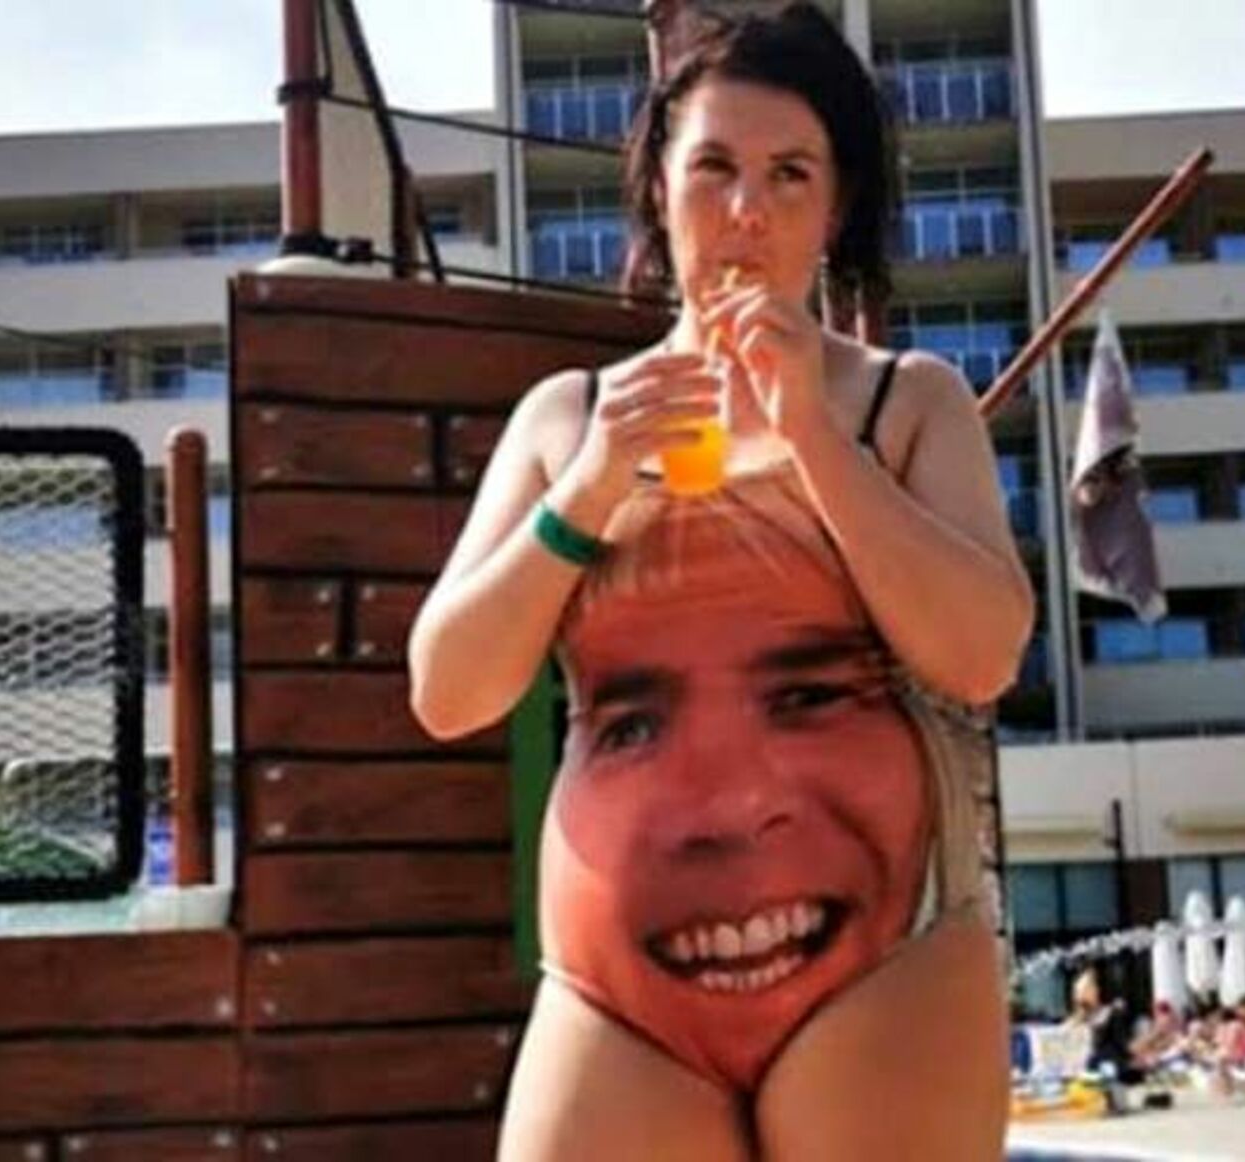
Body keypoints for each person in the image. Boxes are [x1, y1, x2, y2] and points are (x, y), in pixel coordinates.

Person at [406, 5, 1034, 1158]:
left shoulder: (907, 401)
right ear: (658, 189)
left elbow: (983, 653)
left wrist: (815, 441)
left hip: (877, 958)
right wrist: (589, 489)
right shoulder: (569, 418)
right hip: (620, 989)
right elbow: (447, 690)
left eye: (791, 174)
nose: (748, 210)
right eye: (714, 170)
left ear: (835, 208)